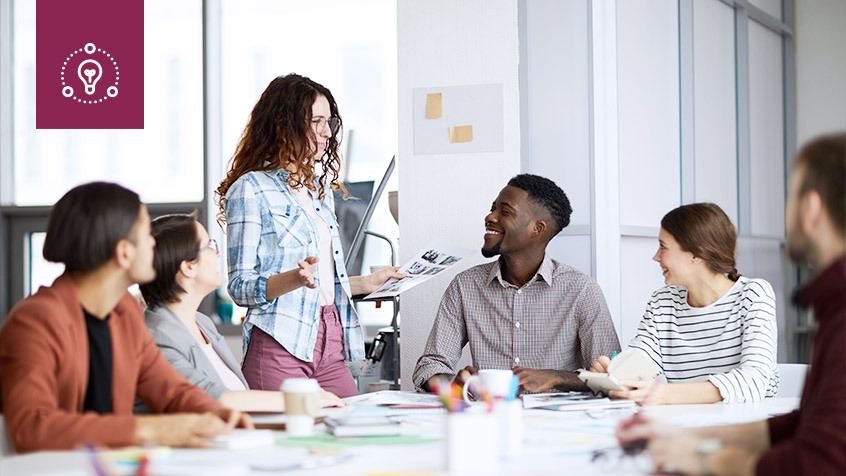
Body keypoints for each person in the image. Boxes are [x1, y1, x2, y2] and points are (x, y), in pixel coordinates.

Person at [616, 132, 846, 475]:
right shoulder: (832, 305)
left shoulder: (822, 310)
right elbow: (805, 426)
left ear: (811, 208)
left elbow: (816, 463)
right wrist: (690, 435)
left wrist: (702, 457)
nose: (655, 257)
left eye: (790, 198)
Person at [0, 182, 251, 453]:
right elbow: (32, 428)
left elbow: (168, 387)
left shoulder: (125, 313)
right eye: (146, 235)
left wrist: (216, 413)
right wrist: (151, 429)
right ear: (123, 252)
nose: (154, 244)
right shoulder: (34, 321)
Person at [216, 73, 402, 398]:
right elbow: (240, 288)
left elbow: (320, 281)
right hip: (279, 341)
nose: (327, 133)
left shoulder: (320, 193)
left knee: (349, 432)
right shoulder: (251, 189)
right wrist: (293, 279)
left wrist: (363, 284)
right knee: (289, 445)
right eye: (316, 121)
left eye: (329, 122)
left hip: (330, 341)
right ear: (283, 124)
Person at [413, 174, 621, 393]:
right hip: (489, 417)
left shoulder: (581, 290)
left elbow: (612, 377)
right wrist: (453, 382)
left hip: (558, 423)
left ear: (537, 229)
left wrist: (555, 378)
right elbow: (429, 368)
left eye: (505, 211)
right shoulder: (465, 286)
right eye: (493, 208)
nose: (490, 217)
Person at [137, 214, 344, 412]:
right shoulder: (156, 337)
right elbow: (209, 397)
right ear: (188, 267)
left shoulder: (202, 323)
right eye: (209, 246)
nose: (217, 253)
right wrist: (302, 399)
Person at [590, 203, 778, 404]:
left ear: (697, 253)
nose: (656, 257)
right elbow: (641, 360)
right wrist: (615, 374)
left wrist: (665, 394)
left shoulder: (753, 294)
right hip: (684, 425)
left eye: (663, 246)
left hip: (747, 426)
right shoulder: (663, 302)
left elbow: (754, 380)